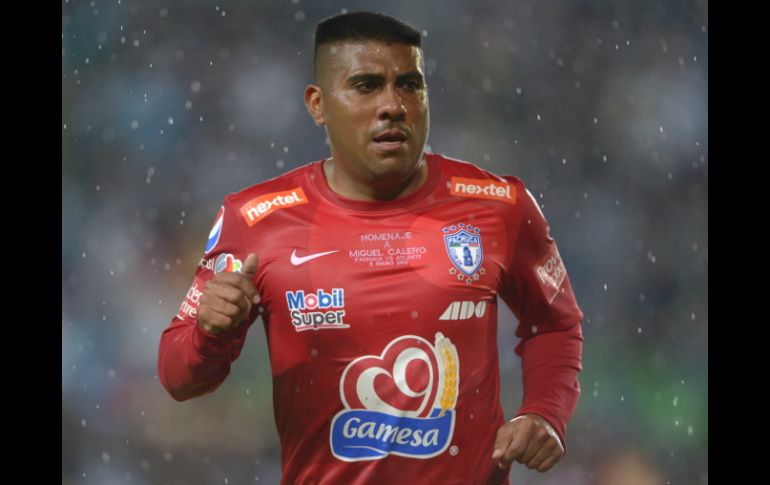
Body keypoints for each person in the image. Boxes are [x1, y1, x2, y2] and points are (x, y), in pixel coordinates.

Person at [158, 11, 583, 485]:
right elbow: (178, 376)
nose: (393, 106)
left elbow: (555, 323)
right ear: (318, 105)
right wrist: (209, 333)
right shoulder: (255, 219)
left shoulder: (499, 206)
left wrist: (545, 412)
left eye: (410, 85)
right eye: (366, 86)